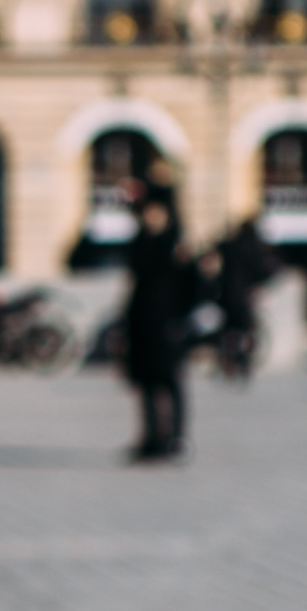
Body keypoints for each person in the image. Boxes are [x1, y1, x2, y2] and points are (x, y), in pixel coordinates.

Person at [121, 177, 194, 460]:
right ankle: (152, 437)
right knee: (145, 381)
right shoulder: (143, 240)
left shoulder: (175, 245)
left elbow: (191, 287)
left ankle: (175, 437)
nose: (150, 218)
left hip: (168, 323)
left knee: (170, 380)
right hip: (142, 322)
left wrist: (181, 319)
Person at [216, 215, 280, 382]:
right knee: (248, 332)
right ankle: (244, 362)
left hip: (227, 297)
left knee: (229, 332)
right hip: (244, 298)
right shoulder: (255, 248)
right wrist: (257, 286)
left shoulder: (229, 246)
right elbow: (270, 268)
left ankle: (230, 362)